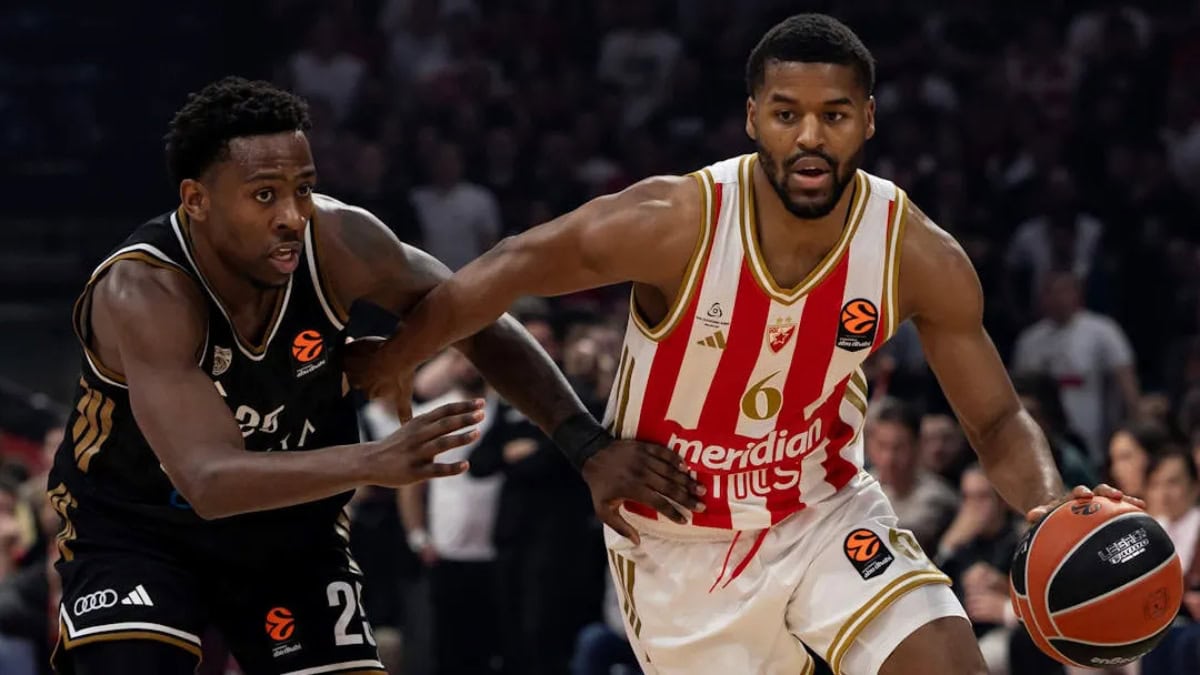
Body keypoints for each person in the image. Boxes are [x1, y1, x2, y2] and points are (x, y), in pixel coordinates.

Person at [363, 14, 1136, 675]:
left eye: (835, 114)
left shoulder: (913, 253)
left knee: (949, 661)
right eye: (786, 113)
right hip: (680, 542)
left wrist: (1045, 501)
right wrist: (395, 359)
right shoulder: (676, 221)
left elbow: (996, 419)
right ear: (752, 117)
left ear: (869, 119)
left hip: (825, 510)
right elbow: (510, 265)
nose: (810, 136)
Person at [46, 77, 696, 675]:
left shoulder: (339, 241)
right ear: (196, 200)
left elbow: (477, 315)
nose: (292, 214)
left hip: (287, 532)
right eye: (264, 195)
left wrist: (586, 446)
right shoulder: (145, 291)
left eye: (303, 187)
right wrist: (373, 460)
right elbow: (209, 480)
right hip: (138, 527)